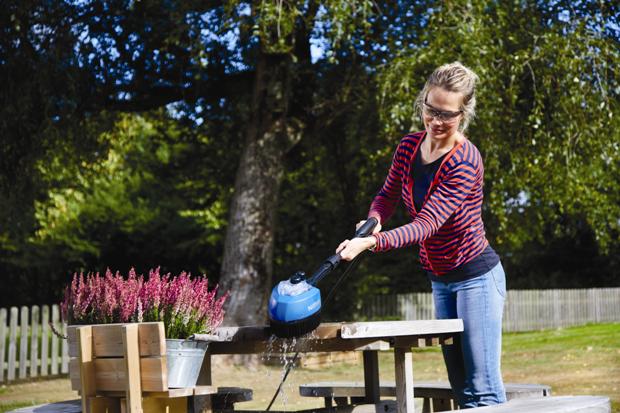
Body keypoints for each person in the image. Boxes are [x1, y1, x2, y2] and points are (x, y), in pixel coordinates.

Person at [336, 62, 507, 408]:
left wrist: (372, 242)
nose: (436, 121)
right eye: (430, 109)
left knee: (483, 386)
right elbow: (387, 195)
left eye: (446, 114)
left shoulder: (466, 160)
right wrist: (373, 220)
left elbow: (427, 224)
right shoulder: (409, 147)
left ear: (464, 112)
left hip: (476, 277)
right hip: (440, 279)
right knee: (460, 385)